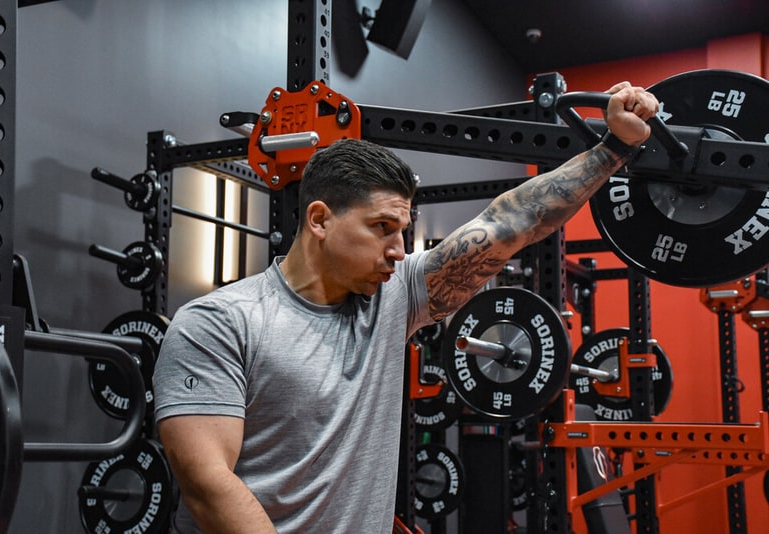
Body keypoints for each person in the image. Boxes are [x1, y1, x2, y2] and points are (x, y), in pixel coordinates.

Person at [152, 81, 659, 533]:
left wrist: (613, 148)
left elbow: (512, 221)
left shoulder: (394, 298)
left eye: (403, 231)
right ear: (320, 220)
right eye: (381, 228)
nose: (398, 250)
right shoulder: (220, 323)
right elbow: (208, 484)